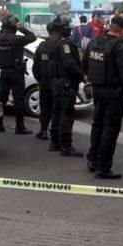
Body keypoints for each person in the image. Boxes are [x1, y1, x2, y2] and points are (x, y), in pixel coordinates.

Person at [82, 16, 123, 178]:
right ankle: (103, 167)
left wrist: (89, 77)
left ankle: (92, 159)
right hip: (113, 92)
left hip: (97, 89)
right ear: (122, 30)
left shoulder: (95, 41)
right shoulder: (120, 47)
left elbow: (84, 63)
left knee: (97, 125)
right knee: (110, 129)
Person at [45, 15, 85, 157]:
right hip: (65, 82)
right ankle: (66, 146)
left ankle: (55, 142)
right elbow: (69, 64)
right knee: (66, 114)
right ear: (62, 29)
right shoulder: (64, 44)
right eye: (67, 28)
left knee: (56, 112)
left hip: (55, 82)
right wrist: (81, 75)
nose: (70, 30)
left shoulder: (49, 42)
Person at [0, 15, 37, 134]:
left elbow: (2, 32)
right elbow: (32, 37)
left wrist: (6, 25)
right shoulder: (16, 39)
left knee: (1, 100)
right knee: (19, 100)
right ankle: (20, 126)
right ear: (14, 26)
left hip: (4, 73)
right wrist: (21, 28)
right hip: (16, 72)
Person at [31, 22, 57, 141]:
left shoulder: (42, 46)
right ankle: (55, 134)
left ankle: (43, 131)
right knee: (57, 109)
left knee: (45, 108)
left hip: (44, 83)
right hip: (58, 83)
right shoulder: (61, 44)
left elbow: (35, 66)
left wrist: (39, 80)